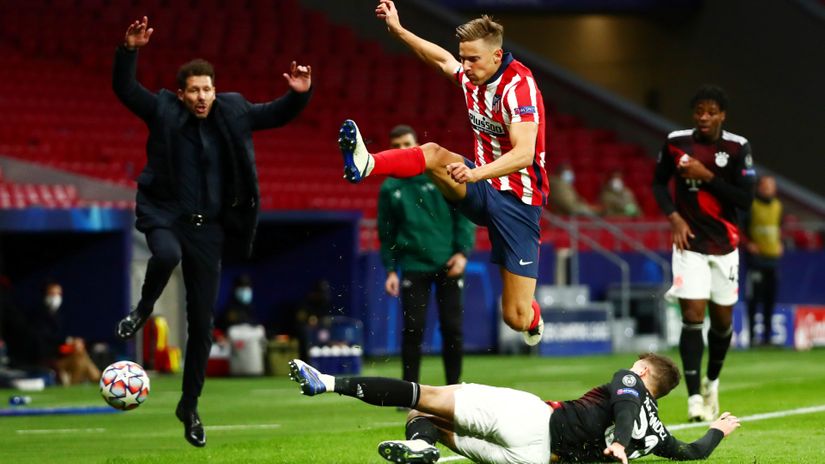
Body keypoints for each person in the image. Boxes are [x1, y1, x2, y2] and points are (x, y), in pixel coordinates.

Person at [112, 17, 312, 447]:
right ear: (181, 94)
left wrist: (297, 96)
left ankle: (190, 406)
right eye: (194, 91)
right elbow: (126, 91)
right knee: (164, 256)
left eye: (208, 89)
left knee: (202, 325)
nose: (202, 97)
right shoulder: (163, 110)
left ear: (214, 91)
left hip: (210, 232)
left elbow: (274, 114)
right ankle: (143, 309)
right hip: (166, 215)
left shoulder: (234, 111)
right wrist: (129, 51)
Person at [339, 1, 548, 345]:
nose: (465, 66)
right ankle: (368, 162)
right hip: (481, 187)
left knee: (515, 317)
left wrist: (477, 174)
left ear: (496, 57)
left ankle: (534, 315)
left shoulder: (518, 88)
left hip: (518, 203)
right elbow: (440, 60)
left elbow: (524, 154)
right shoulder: (471, 76)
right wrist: (399, 30)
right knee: (434, 153)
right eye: (463, 58)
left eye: (473, 60)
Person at [288, 352, 740, 464]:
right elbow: (691, 453)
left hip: (533, 419)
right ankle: (427, 450)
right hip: (534, 460)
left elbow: (624, 407)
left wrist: (620, 443)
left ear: (644, 374)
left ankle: (327, 382)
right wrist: (718, 428)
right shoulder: (659, 433)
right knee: (434, 428)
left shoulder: (629, 381)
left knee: (421, 402)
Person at [652, 85, 756, 422]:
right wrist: (674, 217)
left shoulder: (737, 148)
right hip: (690, 244)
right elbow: (658, 183)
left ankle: (712, 381)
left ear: (722, 115)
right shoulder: (676, 142)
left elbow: (744, 200)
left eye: (711, 112)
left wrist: (705, 176)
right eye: (699, 111)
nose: (704, 117)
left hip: (725, 244)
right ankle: (695, 399)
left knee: (723, 321)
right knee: (693, 315)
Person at [378, 124, 476, 385]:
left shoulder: (438, 174)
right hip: (413, 264)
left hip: (449, 262)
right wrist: (390, 269)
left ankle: (455, 389)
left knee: (452, 329)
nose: (402, 149)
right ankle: (409, 390)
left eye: (406, 143)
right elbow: (386, 233)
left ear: (416, 144)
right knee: (413, 329)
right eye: (396, 146)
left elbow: (464, 213)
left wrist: (462, 253)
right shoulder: (390, 188)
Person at [28, 281, 101, 385]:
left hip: (61, 355)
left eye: (58, 294)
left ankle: (96, 378)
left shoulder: (60, 314)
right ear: (45, 295)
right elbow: (45, 340)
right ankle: (95, 378)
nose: (56, 297)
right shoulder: (37, 315)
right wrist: (69, 342)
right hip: (48, 359)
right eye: (52, 294)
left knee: (80, 356)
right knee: (80, 359)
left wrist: (73, 342)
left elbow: (62, 336)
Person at [743, 175, 783, 346]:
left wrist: (779, 243)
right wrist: (748, 243)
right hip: (755, 260)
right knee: (754, 299)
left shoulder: (778, 206)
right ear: (759, 187)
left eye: (771, 186)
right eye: (765, 186)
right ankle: (752, 337)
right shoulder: (751, 205)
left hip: (772, 259)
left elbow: (777, 227)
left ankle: (767, 338)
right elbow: (740, 228)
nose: (768, 189)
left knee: (770, 299)